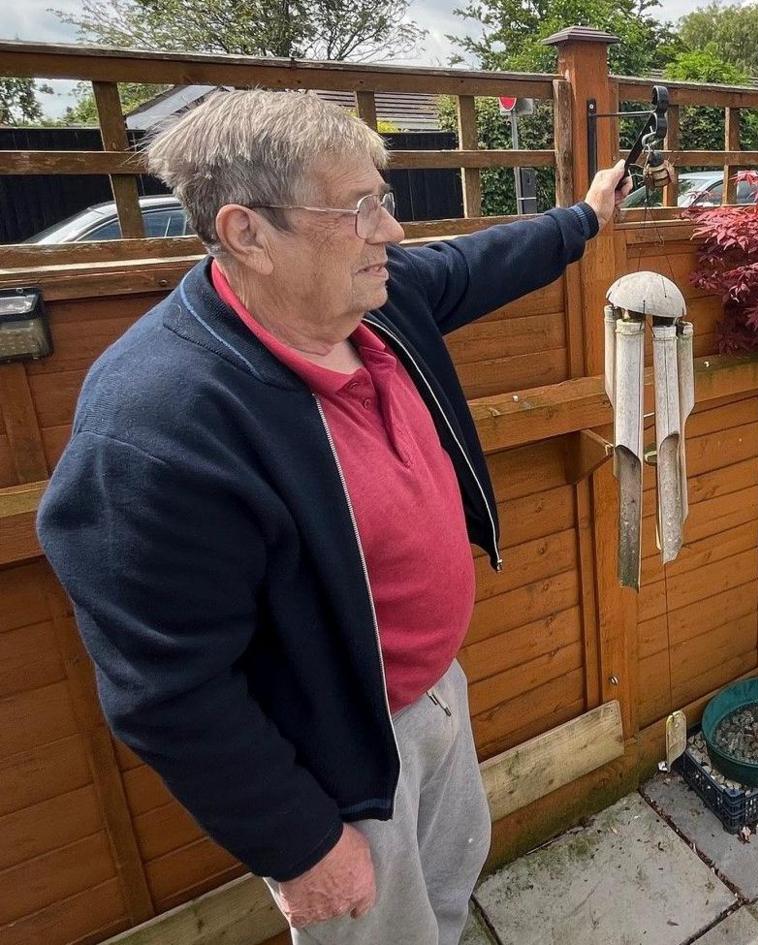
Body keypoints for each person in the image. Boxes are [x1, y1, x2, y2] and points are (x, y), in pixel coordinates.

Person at [36, 89, 627, 945]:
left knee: (451, 885)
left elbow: (482, 260)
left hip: (435, 692)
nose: (389, 230)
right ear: (247, 233)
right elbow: (167, 689)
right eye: (359, 208)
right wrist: (302, 843)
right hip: (334, 750)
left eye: (381, 201)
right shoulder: (156, 422)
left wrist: (584, 218)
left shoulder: (379, 302)